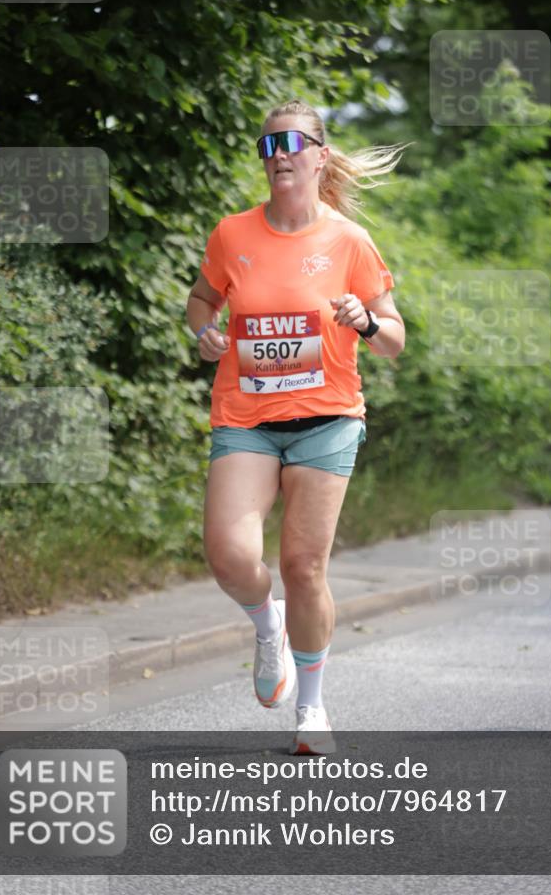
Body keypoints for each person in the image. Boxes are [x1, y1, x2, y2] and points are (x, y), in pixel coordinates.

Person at [186, 98, 406, 755]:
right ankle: (265, 623)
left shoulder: (348, 242)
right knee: (229, 556)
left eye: (291, 142)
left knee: (303, 564)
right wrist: (203, 331)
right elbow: (201, 300)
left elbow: (393, 337)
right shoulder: (232, 234)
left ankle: (310, 709)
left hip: (327, 420)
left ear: (318, 154)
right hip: (247, 418)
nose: (277, 153)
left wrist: (362, 322)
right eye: (266, 144)